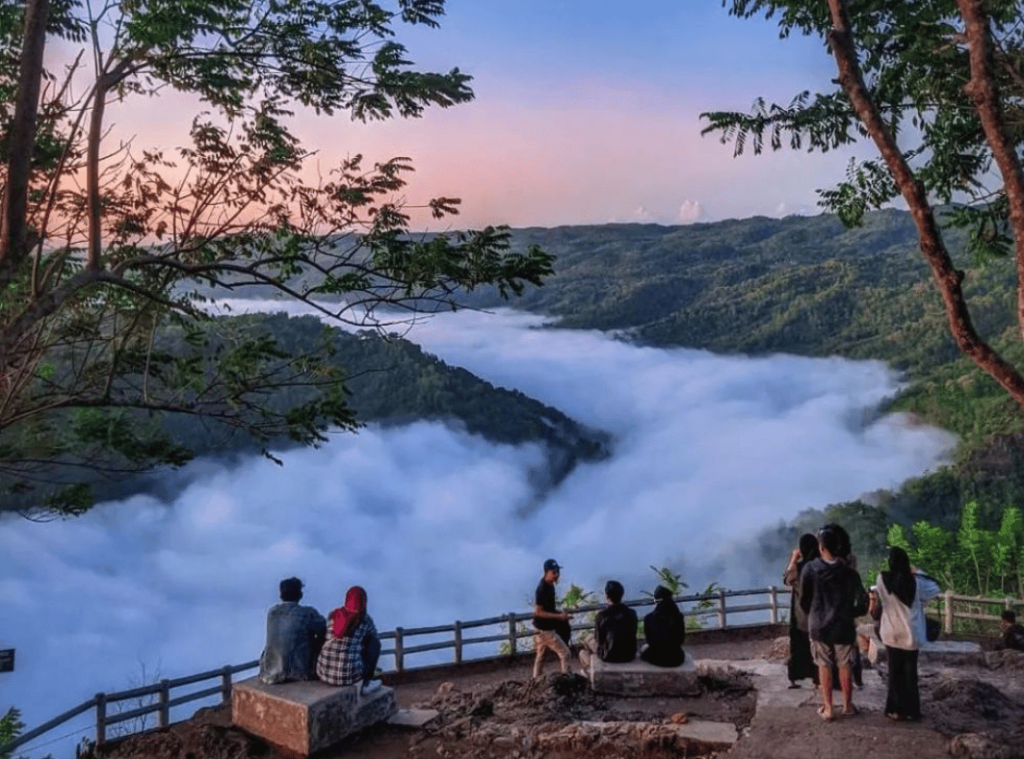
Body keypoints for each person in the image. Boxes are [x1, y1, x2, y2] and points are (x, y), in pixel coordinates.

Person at [800, 526, 868, 721]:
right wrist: (850, 613)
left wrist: (813, 613)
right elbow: (862, 605)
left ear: (821, 547)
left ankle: (828, 709)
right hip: (844, 626)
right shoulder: (850, 573)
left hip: (819, 625)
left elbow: (804, 600)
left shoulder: (810, 570)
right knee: (845, 665)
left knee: (824, 665)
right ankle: (847, 706)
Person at [873, 547, 941, 721]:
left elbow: (880, 593)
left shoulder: (882, 579)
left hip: (891, 632)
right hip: (912, 634)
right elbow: (935, 588)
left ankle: (894, 709)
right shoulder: (917, 582)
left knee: (894, 672)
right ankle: (912, 710)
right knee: (910, 673)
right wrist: (917, 571)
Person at [258, 577, 327, 684]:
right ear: (300, 595)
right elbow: (324, 630)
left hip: (269, 672)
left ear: (281, 594)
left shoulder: (272, 612)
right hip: (300, 672)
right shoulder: (307, 613)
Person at [316, 586, 383, 695]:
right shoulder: (365, 620)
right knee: (374, 644)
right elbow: (374, 638)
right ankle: (367, 682)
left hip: (324, 674)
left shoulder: (333, 614)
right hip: (350, 677)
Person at [783, 533, 820, 688]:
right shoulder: (821, 565)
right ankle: (818, 680)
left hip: (801, 617)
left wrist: (793, 559)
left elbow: (787, 580)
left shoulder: (799, 567)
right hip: (820, 615)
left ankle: (794, 678)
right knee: (818, 651)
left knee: (799, 648)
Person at [579, 580, 638, 669]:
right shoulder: (632, 613)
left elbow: (598, 639)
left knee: (584, 647)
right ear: (621, 594)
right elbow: (633, 632)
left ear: (606, 596)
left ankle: (590, 669)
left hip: (608, 656)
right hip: (629, 655)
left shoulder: (602, 615)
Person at [532, 558, 573, 678]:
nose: (556, 575)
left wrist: (560, 613)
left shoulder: (550, 586)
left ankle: (535, 680)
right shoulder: (542, 589)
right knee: (565, 653)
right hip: (545, 629)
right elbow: (538, 612)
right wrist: (559, 617)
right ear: (546, 573)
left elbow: (548, 610)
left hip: (540, 627)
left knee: (541, 657)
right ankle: (567, 680)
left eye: (557, 572)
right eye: (553, 572)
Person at [640, 585, 687, 667]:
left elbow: (649, 641)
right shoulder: (678, 617)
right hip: (675, 658)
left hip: (656, 658)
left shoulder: (649, 618)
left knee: (644, 650)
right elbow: (680, 639)